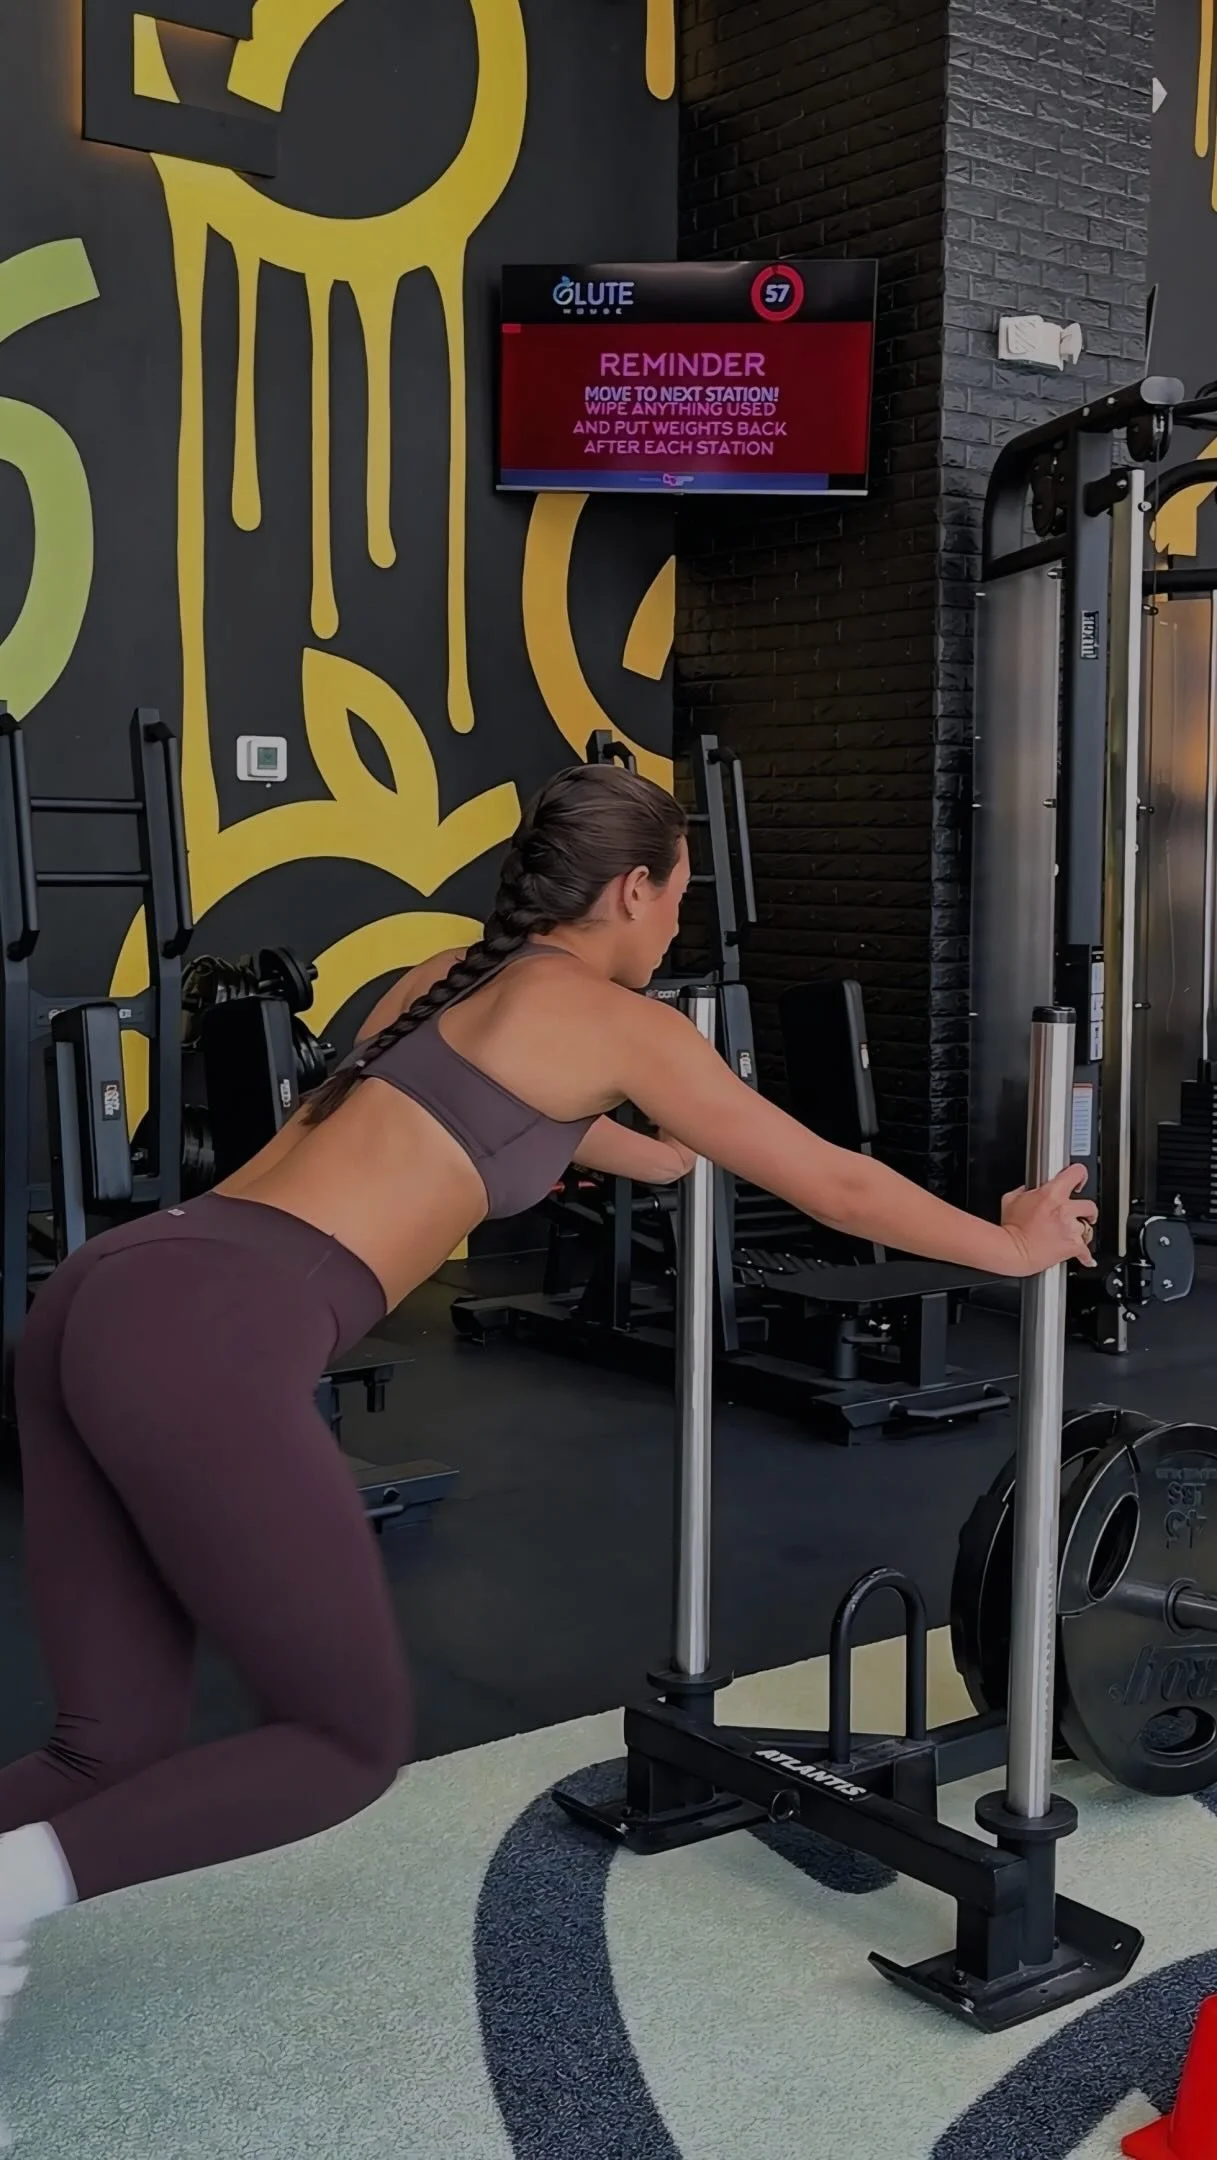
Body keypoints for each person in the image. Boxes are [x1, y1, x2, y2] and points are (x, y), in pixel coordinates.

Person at [0, 764, 1094, 2048]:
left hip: (118, 1284)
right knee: (342, 1742)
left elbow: (557, 1135)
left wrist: (664, 1141)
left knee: (102, 1747)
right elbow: (837, 1186)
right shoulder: (615, 1025)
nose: (677, 927)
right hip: (213, 1333)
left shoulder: (443, 980)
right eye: (676, 898)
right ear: (630, 890)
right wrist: (1008, 1242)